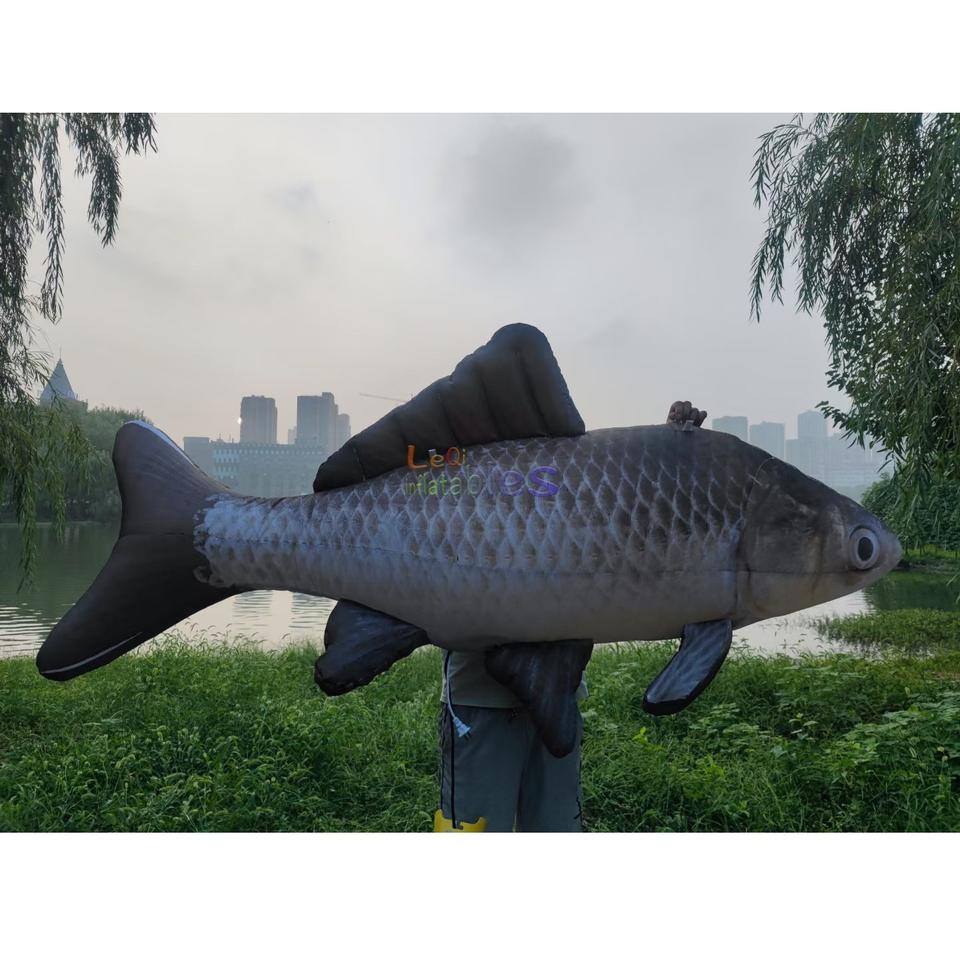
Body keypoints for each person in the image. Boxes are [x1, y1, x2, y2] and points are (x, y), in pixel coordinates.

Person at [434, 400, 707, 833]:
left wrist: (672, 451)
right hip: (479, 705)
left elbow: (635, 516)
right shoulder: (472, 480)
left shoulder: (576, 490)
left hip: (559, 700)